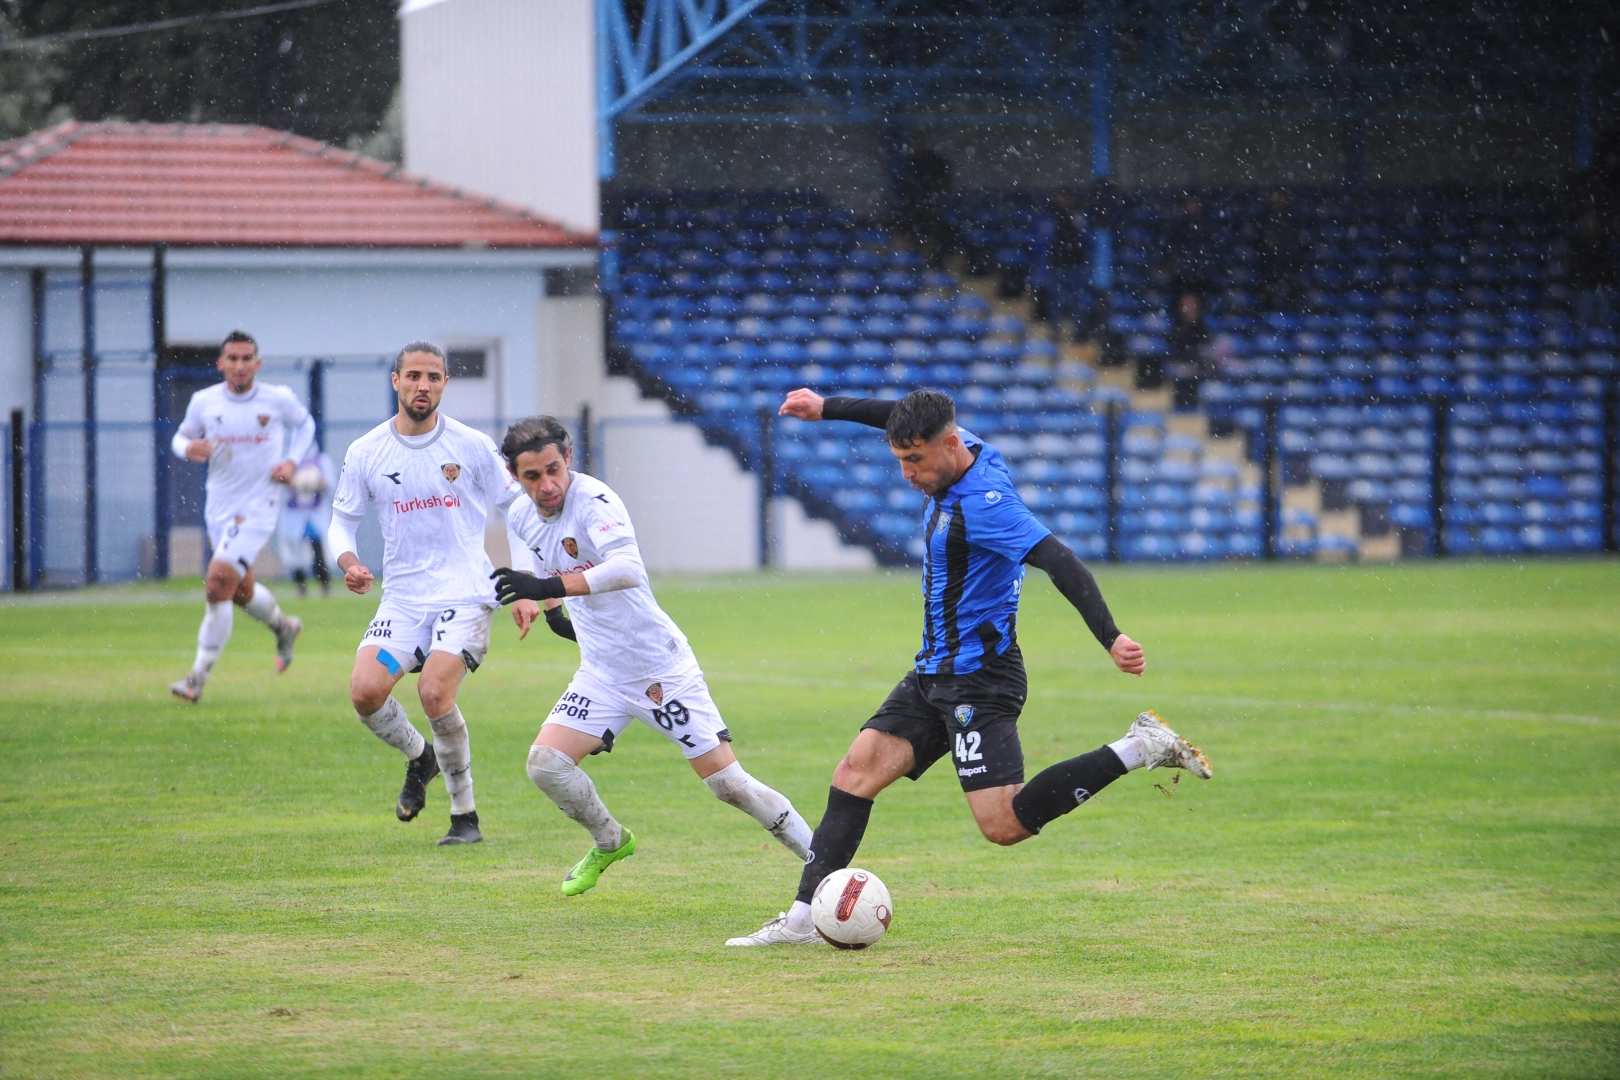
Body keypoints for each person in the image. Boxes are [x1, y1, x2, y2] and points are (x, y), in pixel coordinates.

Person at [726, 388, 1212, 947]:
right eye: (900, 459)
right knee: (854, 774)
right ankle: (800, 921)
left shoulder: (987, 506)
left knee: (1002, 825)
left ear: (950, 445)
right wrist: (826, 408)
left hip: (982, 680)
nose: (907, 473)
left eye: (916, 461)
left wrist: (1112, 637)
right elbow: (897, 417)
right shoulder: (960, 446)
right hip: (935, 670)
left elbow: (1059, 560)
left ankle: (1140, 746)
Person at [489, 416, 812, 896]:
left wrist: (548, 587)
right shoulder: (521, 512)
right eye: (532, 476)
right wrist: (544, 604)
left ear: (568, 459)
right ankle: (610, 840)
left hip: (660, 669)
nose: (547, 485)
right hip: (601, 673)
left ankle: (824, 865)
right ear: (515, 476)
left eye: (553, 469)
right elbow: (534, 548)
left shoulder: (595, 502)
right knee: (546, 763)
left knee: (729, 785)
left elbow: (628, 569)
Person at [327, 342, 523, 846]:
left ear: (445, 384)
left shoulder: (473, 445)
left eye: (433, 377)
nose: (423, 385)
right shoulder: (367, 451)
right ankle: (422, 756)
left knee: (434, 691)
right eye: (413, 375)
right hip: (404, 598)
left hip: (466, 590)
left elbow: (518, 511)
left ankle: (465, 817)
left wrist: (527, 585)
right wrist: (349, 564)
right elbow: (341, 525)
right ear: (396, 381)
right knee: (365, 693)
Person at [168, 331, 311, 704]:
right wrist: (189, 447)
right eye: (232, 358)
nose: (240, 365)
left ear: (257, 364)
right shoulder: (204, 402)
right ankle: (284, 627)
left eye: (247, 358)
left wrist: (291, 461)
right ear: (221, 364)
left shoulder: (276, 398)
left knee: (217, 584)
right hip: (220, 507)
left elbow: (305, 424)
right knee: (241, 591)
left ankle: (196, 679)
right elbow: (179, 439)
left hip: (260, 505)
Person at [277, 445, 337, 597]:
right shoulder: (288, 461)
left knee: (318, 547)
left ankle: (324, 583)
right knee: (295, 549)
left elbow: (331, 484)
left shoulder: (321, 460)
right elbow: (278, 483)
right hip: (294, 513)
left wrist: (318, 482)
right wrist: (292, 481)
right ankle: (300, 585)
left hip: (314, 512)